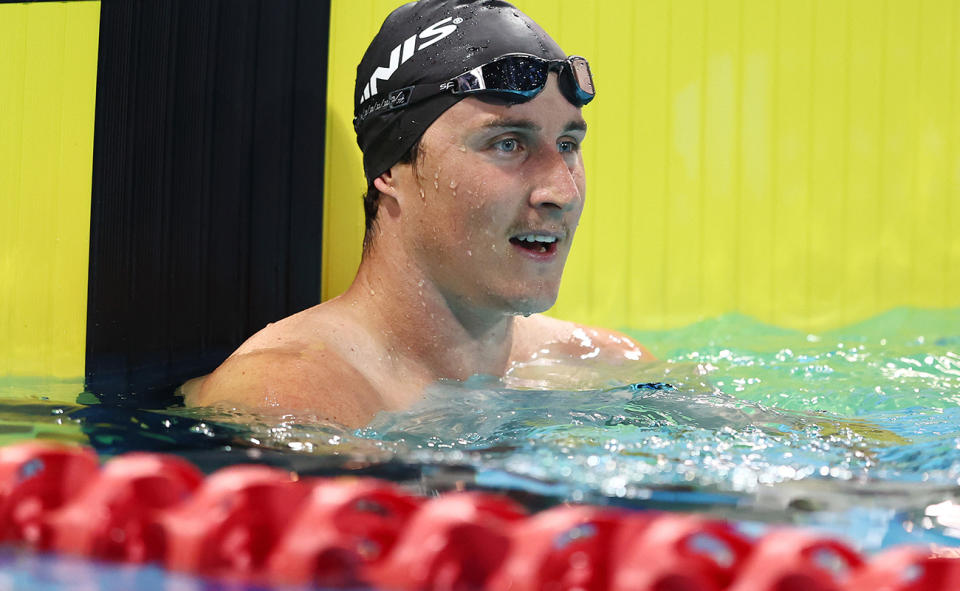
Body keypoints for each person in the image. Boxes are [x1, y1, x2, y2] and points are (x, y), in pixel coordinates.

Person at [187, 0, 652, 427]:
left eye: (568, 145)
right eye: (508, 143)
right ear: (391, 167)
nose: (561, 192)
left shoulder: (603, 366)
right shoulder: (289, 397)